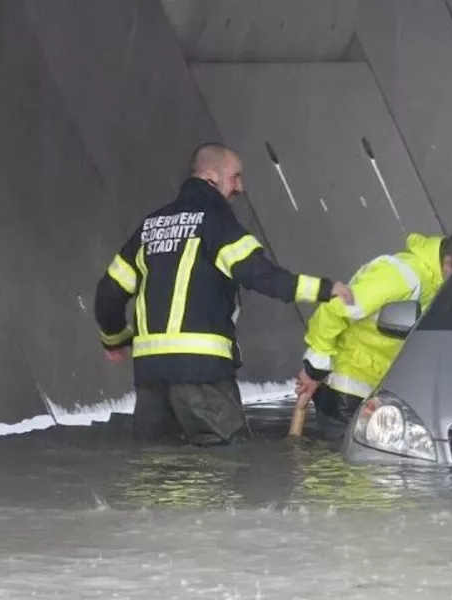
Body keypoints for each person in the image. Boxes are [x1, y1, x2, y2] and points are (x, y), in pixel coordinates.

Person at [94, 143, 352, 446]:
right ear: (211, 176)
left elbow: (109, 291)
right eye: (236, 177)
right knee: (228, 470)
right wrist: (326, 290)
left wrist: (114, 338)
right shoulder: (217, 222)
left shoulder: (151, 227)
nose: (240, 188)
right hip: (204, 376)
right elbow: (263, 276)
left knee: (158, 474)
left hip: (152, 379)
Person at [295, 229, 452, 436]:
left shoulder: (435, 282)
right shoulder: (402, 276)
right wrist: (314, 369)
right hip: (347, 391)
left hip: (378, 390)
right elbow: (334, 309)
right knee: (350, 465)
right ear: (448, 263)